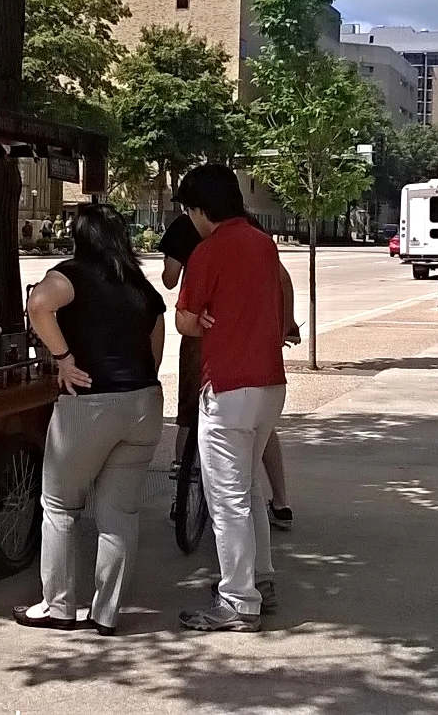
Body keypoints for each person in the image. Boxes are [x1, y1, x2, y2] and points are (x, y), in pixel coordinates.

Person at [12, 205, 166, 637]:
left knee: (60, 505)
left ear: (78, 236)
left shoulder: (70, 274)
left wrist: (63, 358)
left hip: (90, 404)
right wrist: (142, 378)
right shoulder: (136, 282)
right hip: (143, 402)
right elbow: (156, 335)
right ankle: (106, 612)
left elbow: (38, 305)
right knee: (119, 514)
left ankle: (58, 606)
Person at [173, 164, 288, 632]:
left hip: (227, 387)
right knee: (249, 490)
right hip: (270, 385)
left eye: (190, 211)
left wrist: (198, 322)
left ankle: (239, 600)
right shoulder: (265, 244)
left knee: (227, 500)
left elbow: (184, 319)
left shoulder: (208, 251)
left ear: (202, 209)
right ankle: (261, 578)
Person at [162, 210, 299, 530]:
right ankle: (281, 500)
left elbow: (170, 281)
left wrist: (180, 255)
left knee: (188, 415)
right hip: (249, 333)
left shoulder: (185, 227)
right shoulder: (248, 226)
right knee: (257, 423)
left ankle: (182, 498)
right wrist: (285, 324)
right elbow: (282, 278)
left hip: (202, 331)